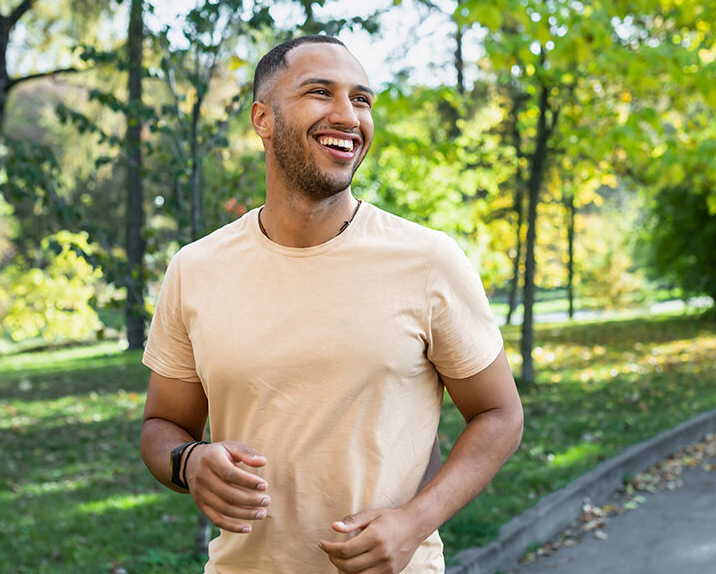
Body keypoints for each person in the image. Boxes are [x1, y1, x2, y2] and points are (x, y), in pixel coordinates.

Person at [139, 34, 524, 574]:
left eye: (361, 100)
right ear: (262, 119)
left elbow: (500, 414)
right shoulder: (195, 269)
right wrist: (189, 461)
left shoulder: (428, 259)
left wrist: (415, 521)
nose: (347, 115)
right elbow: (161, 425)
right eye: (320, 93)